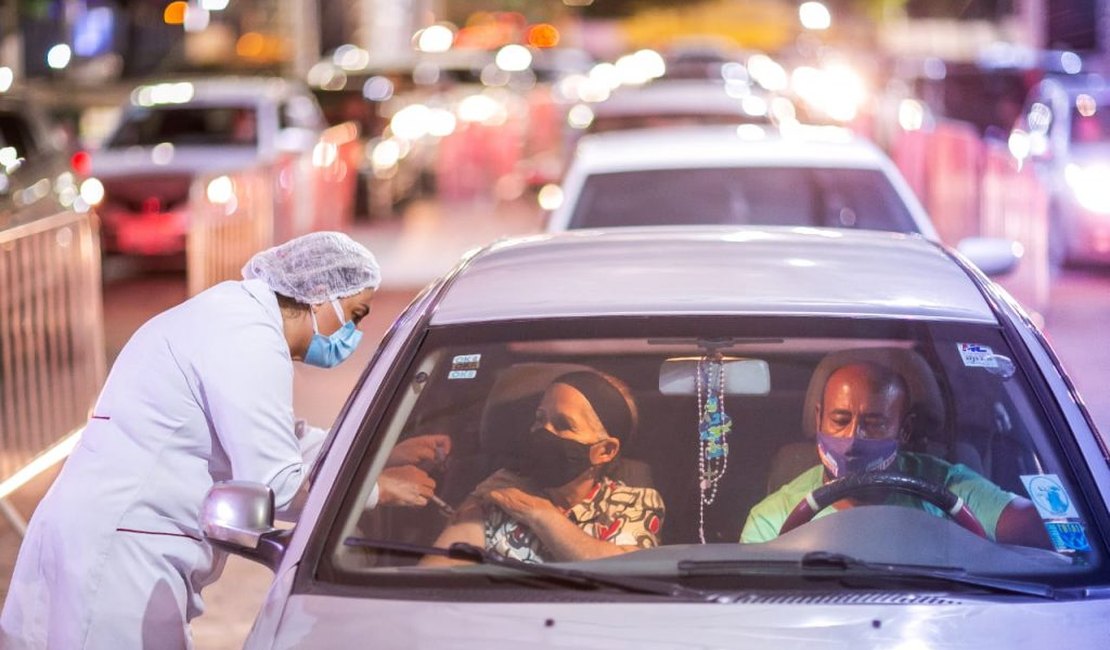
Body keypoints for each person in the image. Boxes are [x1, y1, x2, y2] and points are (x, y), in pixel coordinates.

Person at [0, 232, 432, 650]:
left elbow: (282, 439)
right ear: (320, 293)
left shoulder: (235, 318)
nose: (352, 336)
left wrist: (381, 450)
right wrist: (373, 491)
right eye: (355, 315)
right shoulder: (247, 338)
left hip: (113, 537)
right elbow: (276, 484)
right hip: (121, 556)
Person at [740, 361, 1051, 547]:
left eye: (874, 424)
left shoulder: (950, 488)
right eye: (840, 420)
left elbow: (1051, 529)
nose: (852, 440)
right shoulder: (772, 519)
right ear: (819, 417)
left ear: (904, 430)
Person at [422, 370, 664, 565]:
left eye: (563, 424)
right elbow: (435, 576)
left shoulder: (631, 502)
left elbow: (627, 574)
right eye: (540, 419)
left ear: (605, 451)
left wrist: (539, 513)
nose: (544, 432)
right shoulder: (503, 492)